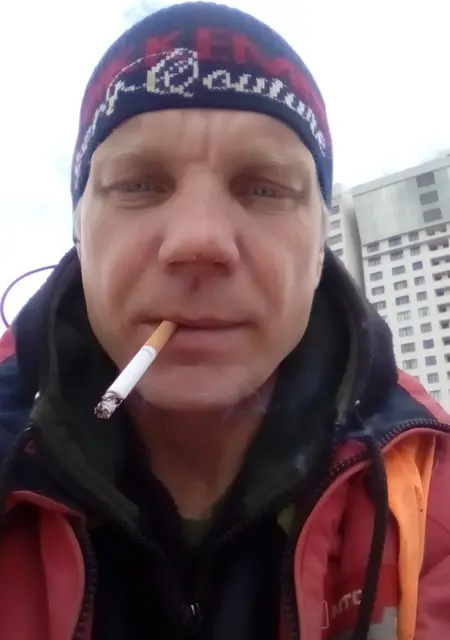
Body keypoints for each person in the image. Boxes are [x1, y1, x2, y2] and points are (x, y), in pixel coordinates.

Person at [0, 2, 449, 639]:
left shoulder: (430, 491)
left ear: (319, 248)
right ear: (80, 230)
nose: (199, 240)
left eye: (263, 188)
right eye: (139, 184)